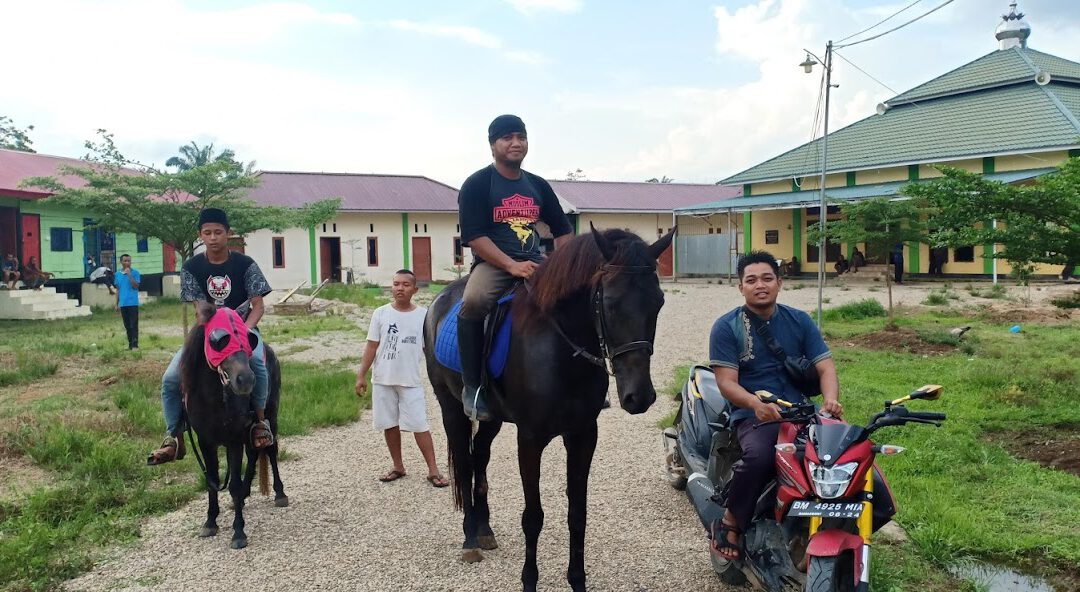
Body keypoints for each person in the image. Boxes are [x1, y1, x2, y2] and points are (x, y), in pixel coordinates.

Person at [707, 250, 841, 561]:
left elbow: (825, 367)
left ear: (779, 283)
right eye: (751, 280)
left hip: (803, 412)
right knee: (759, 457)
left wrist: (831, 398)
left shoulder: (800, 321)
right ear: (741, 287)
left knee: (841, 454)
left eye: (767, 278)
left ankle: (829, 524)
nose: (760, 285)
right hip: (755, 414)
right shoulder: (726, 327)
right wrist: (755, 404)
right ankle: (730, 522)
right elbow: (726, 382)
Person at [456, 114, 574, 421]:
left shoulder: (537, 185)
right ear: (492, 144)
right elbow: (473, 236)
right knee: (473, 302)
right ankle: (473, 387)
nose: (515, 143)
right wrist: (510, 265)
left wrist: (562, 264)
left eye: (520, 137)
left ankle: (582, 383)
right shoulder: (478, 184)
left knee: (577, 301)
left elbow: (563, 229)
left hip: (536, 262)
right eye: (507, 138)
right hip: (494, 265)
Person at [147, 208, 273, 465]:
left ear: (228, 233)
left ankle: (260, 423)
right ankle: (173, 435)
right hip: (209, 335)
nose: (213, 237)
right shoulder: (192, 267)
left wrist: (243, 332)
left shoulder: (245, 264)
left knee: (259, 367)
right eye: (207, 233)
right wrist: (218, 335)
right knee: (171, 378)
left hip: (245, 332)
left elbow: (257, 306)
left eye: (218, 232)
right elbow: (200, 310)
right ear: (200, 235)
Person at [354, 270, 448, 487]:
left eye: (405, 285)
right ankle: (398, 466)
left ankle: (433, 470)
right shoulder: (380, 313)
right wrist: (361, 375)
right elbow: (372, 345)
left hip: (410, 381)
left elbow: (429, 350)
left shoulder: (424, 315)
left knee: (419, 424)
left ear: (415, 290)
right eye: (396, 284)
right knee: (389, 424)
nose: (399, 288)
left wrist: (441, 377)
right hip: (383, 379)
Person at [114, 254, 141, 350]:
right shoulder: (117, 275)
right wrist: (116, 303)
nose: (127, 263)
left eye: (129, 261)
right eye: (125, 261)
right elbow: (118, 289)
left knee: (134, 324)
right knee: (127, 325)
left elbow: (136, 286)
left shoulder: (135, 273)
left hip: (133, 303)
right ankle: (130, 344)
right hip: (123, 303)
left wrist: (129, 275)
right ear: (121, 262)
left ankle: (135, 344)